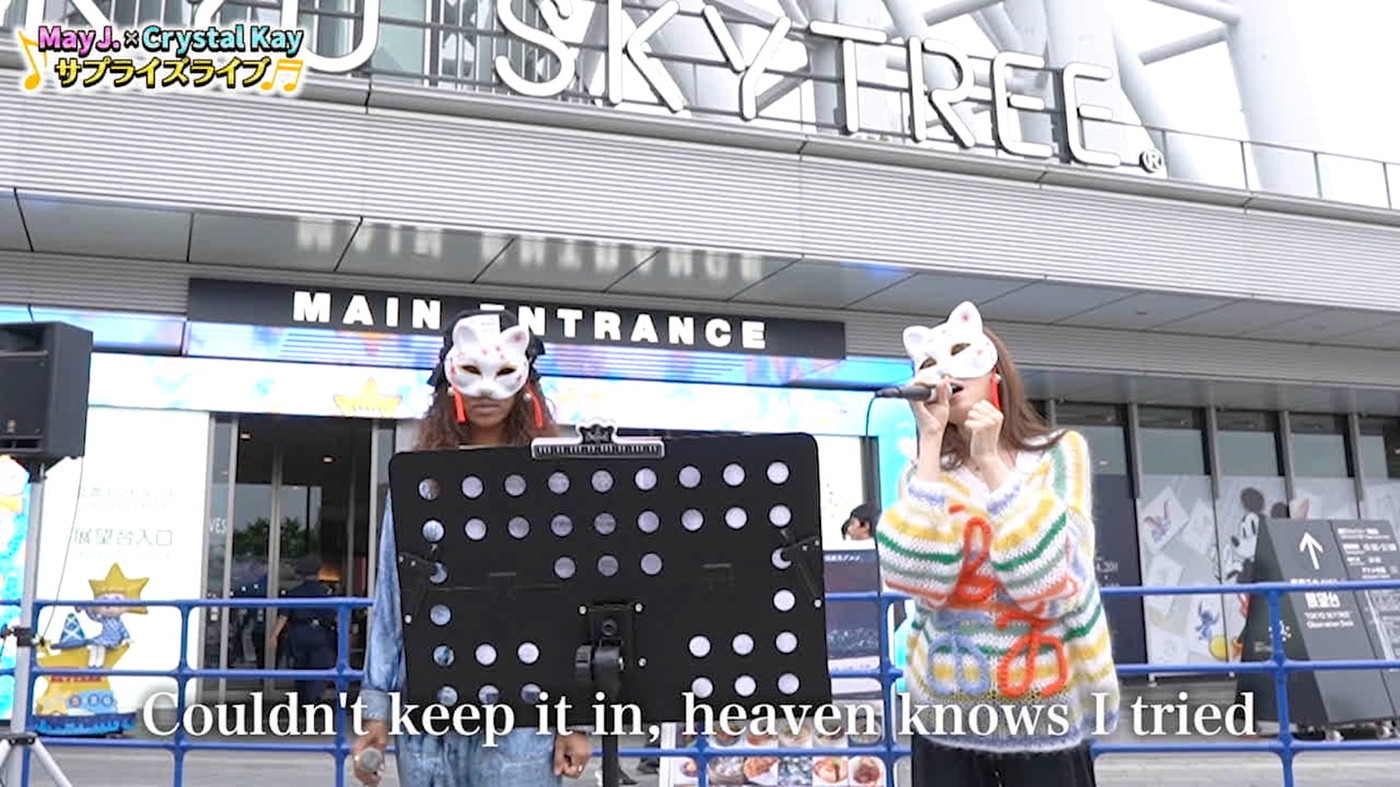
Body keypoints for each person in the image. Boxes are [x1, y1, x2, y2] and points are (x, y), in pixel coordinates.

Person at [875, 301, 1118, 787]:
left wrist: (992, 463)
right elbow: (916, 580)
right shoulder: (922, 475)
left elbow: (1051, 582)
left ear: (996, 377)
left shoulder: (1057, 453)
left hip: (1043, 706)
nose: (944, 374)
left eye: (959, 358)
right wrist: (929, 442)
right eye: (930, 364)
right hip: (946, 709)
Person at [352, 310, 592, 787]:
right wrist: (376, 711)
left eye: (503, 373)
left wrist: (575, 721)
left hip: (524, 711)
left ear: (526, 381)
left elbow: (568, 605)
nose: (486, 391)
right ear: (448, 379)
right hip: (431, 710)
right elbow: (392, 601)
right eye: (470, 372)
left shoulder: (554, 484)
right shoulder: (417, 482)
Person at [272, 555, 337, 706]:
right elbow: (336, 616)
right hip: (319, 634)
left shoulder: (294, 593)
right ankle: (313, 701)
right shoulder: (325, 593)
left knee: (300, 668)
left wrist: (274, 635)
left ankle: (303, 699)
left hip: (298, 633)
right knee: (318, 669)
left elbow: (284, 616)